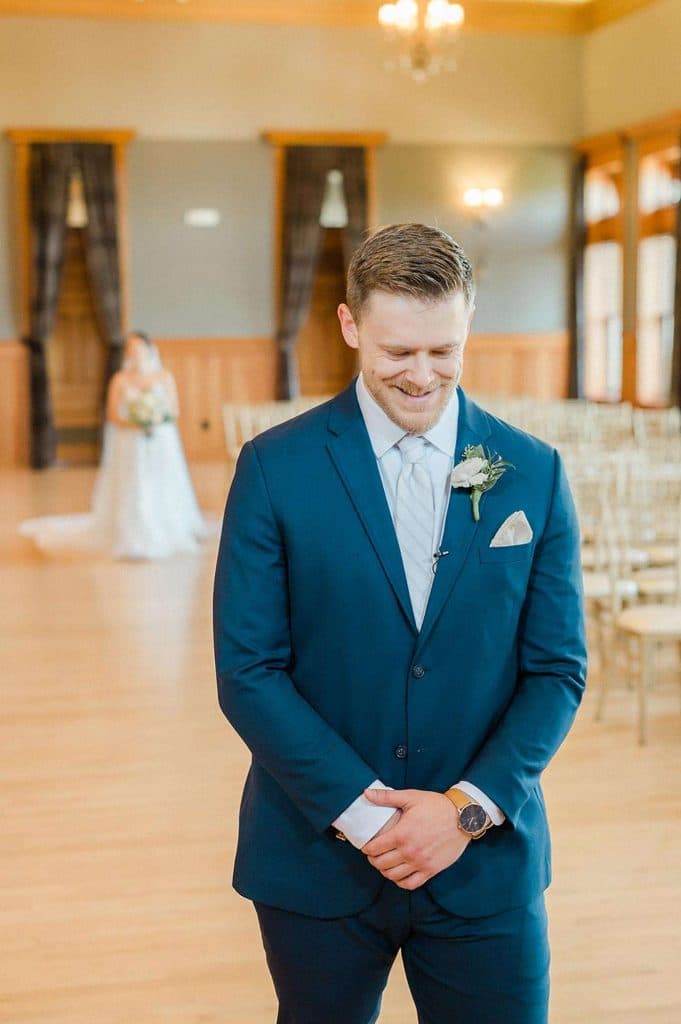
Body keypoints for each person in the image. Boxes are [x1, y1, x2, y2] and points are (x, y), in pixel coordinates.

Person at [213, 223, 586, 1023]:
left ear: (468, 323)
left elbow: (556, 670)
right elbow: (248, 671)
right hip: (317, 858)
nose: (421, 376)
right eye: (397, 351)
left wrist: (464, 812)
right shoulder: (274, 467)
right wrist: (362, 816)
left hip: (483, 860)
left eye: (443, 350)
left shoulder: (533, 471)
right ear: (350, 325)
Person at [21, 331, 217, 560]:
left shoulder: (164, 376)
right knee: (134, 484)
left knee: (163, 481)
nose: (135, 353)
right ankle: (133, 533)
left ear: (149, 349)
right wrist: (138, 421)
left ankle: (169, 525)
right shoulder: (120, 379)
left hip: (160, 440)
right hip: (131, 442)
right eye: (131, 349)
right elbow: (113, 415)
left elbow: (173, 410)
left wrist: (154, 419)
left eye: (139, 348)